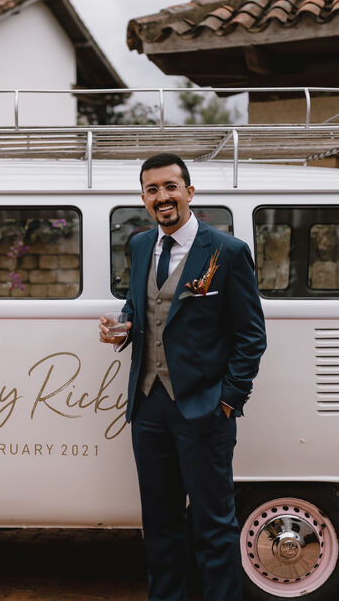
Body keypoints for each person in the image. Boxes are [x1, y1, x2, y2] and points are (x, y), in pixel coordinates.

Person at [99, 153, 266, 601]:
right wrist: (121, 327)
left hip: (205, 407)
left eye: (170, 187)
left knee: (213, 525)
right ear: (143, 198)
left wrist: (228, 401)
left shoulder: (227, 252)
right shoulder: (138, 245)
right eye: (152, 189)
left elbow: (252, 337)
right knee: (159, 522)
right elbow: (141, 309)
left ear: (190, 192)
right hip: (149, 404)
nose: (162, 197)